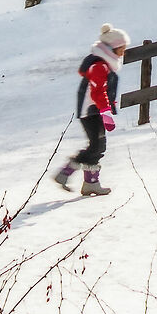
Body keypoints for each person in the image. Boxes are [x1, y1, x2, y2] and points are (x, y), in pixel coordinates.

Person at [51, 24, 128, 197]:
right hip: (91, 111)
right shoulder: (99, 66)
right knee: (96, 146)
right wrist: (106, 112)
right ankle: (66, 173)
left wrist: (107, 109)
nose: (124, 52)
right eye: (122, 48)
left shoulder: (105, 65)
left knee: (98, 146)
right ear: (112, 48)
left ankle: (90, 183)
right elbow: (98, 91)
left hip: (96, 111)